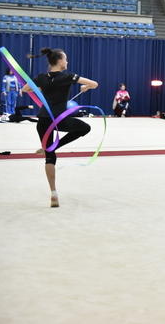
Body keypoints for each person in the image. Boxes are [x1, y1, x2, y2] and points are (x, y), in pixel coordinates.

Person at [22, 48, 98, 208]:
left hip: (43, 120)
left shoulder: (41, 77)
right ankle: (54, 147)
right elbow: (94, 84)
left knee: (50, 158)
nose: (67, 62)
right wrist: (86, 88)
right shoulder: (68, 76)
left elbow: (25, 89)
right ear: (60, 61)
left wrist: (42, 88)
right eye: (66, 59)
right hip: (59, 119)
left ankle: (53, 193)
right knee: (84, 128)